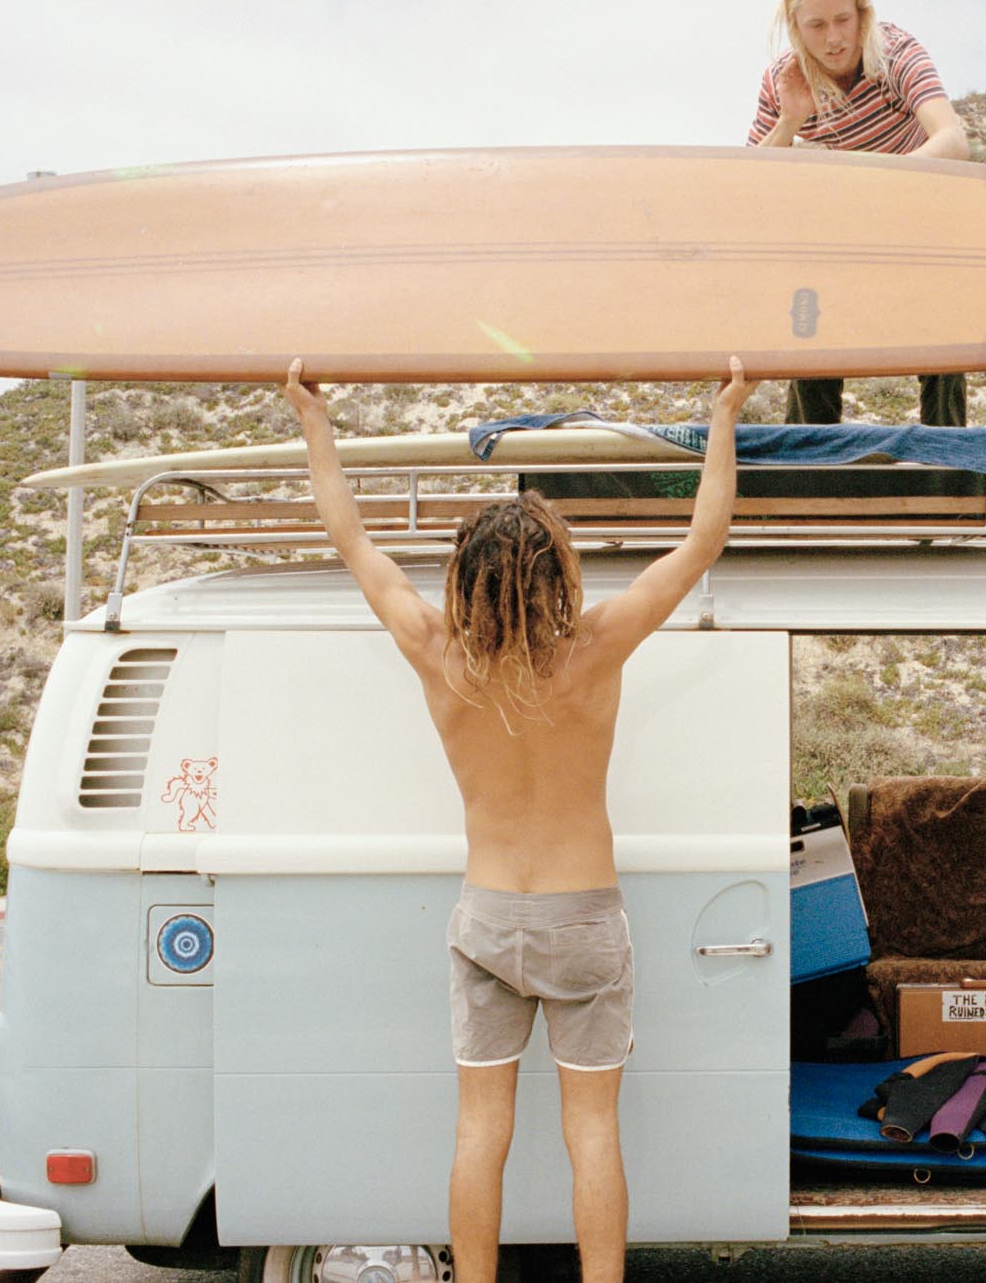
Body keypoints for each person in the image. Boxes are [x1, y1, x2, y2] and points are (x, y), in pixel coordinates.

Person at [283, 356, 757, 1283]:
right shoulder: (596, 646)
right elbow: (704, 541)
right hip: (584, 917)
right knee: (591, 1131)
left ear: (468, 574)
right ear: (556, 570)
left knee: (479, 1127)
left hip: (492, 914)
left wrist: (316, 422)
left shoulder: (437, 652)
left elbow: (351, 541)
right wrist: (724, 413)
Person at [748, 0, 970, 428]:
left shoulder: (895, 52)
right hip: (835, 232)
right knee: (808, 330)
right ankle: (812, 462)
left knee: (945, 336)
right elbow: (750, 182)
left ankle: (947, 465)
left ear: (862, 16)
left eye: (843, 20)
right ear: (796, 29)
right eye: (817, 25)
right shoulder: (781, 80)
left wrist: (874, 185)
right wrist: (789, 121)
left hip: (913, 217)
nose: (833, 38)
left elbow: (952, 140)